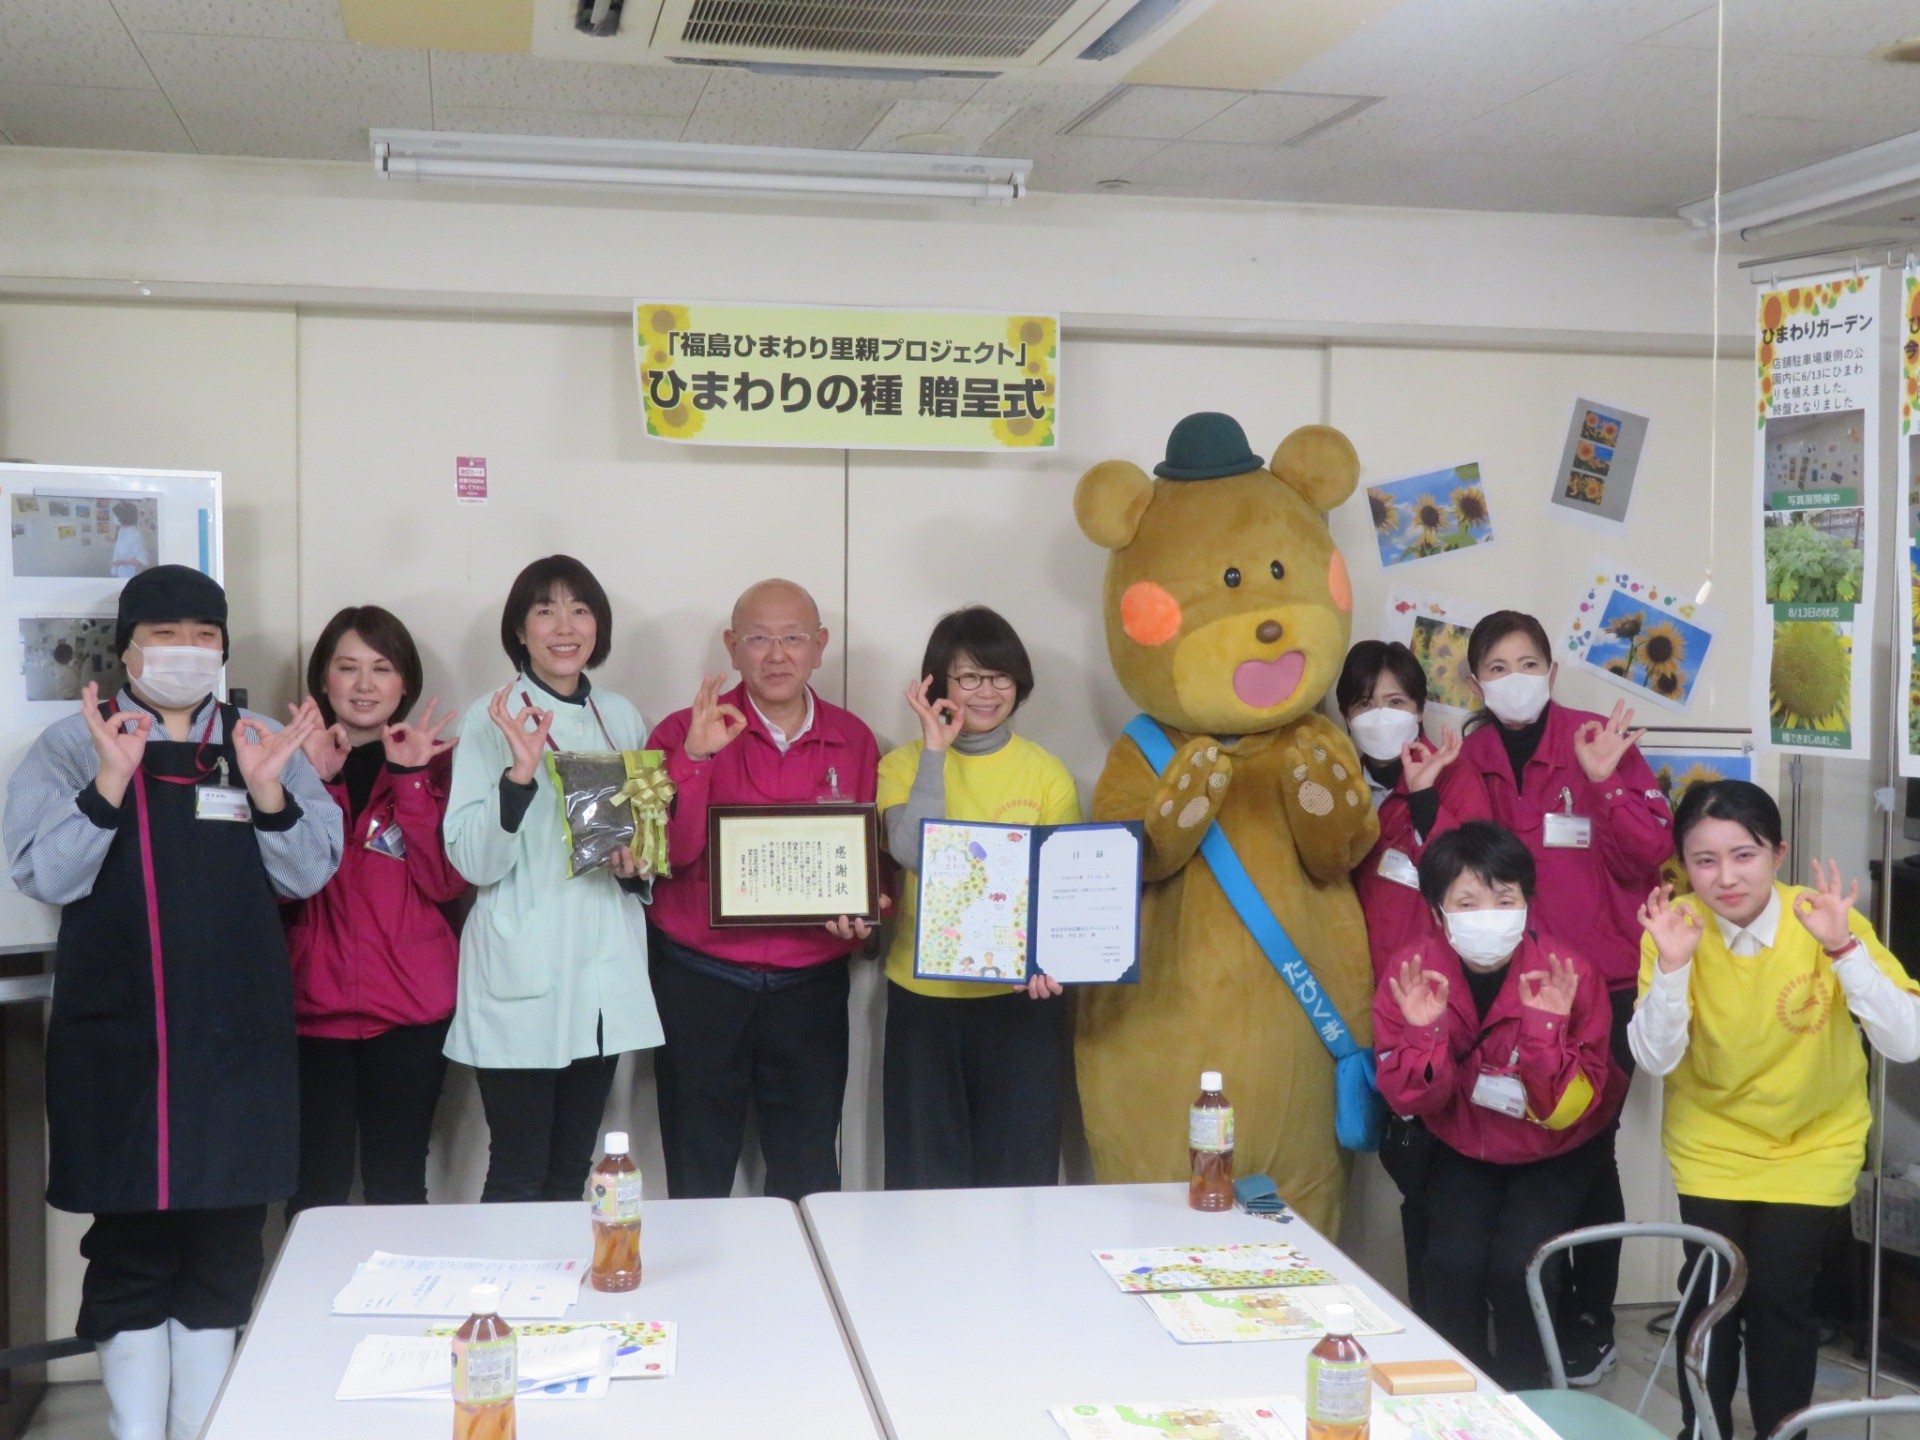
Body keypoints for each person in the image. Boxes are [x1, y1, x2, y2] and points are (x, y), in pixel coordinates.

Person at [3, 565, 342, 1440]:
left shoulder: (264, 737)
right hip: (124, 1042)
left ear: (225, 646)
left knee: (227, 1246)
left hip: (238, 1042)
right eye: (165, 634)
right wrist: (109, 783)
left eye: (204, 634)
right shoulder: (74, 744)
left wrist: (269, 791)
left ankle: (202, 1428)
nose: (186, 651)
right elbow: (45, 872)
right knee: (130, 1252)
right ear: (126, 648)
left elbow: (310, 870)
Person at [1631, 781, 1920, 1440]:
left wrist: (1844, 951)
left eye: (1744, 855)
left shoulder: (1824, 917)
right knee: (1710, 1297)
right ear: (1683, 863)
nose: (1725, 877)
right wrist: (1672, 969)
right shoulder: (1675, 930)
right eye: (1704, 860)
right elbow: (1653, 1058)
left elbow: (1906, 1041)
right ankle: (1702, 1430)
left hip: (1816, 1139)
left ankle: (1783, 1434)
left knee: (1779, 1296)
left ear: (1778, 853)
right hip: (1712, 1143)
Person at [1456, 609, 1669, 1383]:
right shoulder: (1470, 753)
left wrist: (1609, 780)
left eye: (1528, 662)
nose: (1516, 679)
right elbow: (1453, 864)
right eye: (1498, 667)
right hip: (1504, 990)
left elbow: (1652, 853)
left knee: (1589, 1149)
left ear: (1552, 668)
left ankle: (1589, 1316)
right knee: (1525, 1145)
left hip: (1601, 986)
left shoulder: (1594, 740)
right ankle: (1528, 1311)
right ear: (1474, 681)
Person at [647, 578, 880, 1201]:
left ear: (820, 646)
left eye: (793, 639)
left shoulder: (854, 739)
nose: (776, 655)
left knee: (809, 1170)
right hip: (700, 980)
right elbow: (666, 856)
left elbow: (869, 868)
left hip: (810, 989)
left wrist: (868, 916)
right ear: (731, 646)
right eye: (758, 639)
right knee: (697, 1168)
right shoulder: (679, 730)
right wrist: (694, 759)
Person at [442, 555, 661, 1203]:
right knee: (518, 1167)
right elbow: (473, 861)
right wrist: (518, 777)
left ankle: (561, 1302)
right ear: (519, 630)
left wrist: (635, 866)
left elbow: (644, 845)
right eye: (545, 610)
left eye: (580, 608)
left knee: (574, 1169)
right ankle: (505, 1303)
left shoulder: (620, 716)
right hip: (523, 967)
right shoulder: (489, 718)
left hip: (601, 977)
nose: (564, 625)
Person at [1374, 821, 1622, 1390]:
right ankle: (1457, 1396)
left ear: (1527, 904)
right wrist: (1426, 1033)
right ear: (1438, 912)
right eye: (1467, 901)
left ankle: (1526, 1395)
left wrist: (1544, 1028)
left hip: (1553, 1150)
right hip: (1462, 1142)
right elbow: (1410, 1098)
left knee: (1520, 1268)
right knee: (1452, 1265)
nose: (1489, 912)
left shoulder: (1570, 972)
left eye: (1504, 898)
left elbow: (1569, 1108)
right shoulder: (1410, 975)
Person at [877, 606, 1080, 1189]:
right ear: (939, 683)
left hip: (1019, 1003)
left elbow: (1063, 890)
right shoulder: (902, 765)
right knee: (923, 1179)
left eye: (1000, 677)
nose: (987, 692)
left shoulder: (1047, 774)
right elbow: (914, 852)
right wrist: (935, 752)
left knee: (1019, 1179)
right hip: (925, 1001)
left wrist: (1053, 963)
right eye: (969, 677)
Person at [282, 605, 465, 1211]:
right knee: (315, 1190)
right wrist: (318, 782)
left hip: (410, 1010)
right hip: (312, 1008)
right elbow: (288, 883)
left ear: (404, 682)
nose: (364, 686)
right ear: (323, 679)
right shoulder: (282, 766)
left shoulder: (437, 764)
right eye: (348, 667)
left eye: (381, 669)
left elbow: (444, 883)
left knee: (398, 1183)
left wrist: (411, 782)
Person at [1335, 638, 1487, 1316]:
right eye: (1365, 703)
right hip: (1345, 997)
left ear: (1420, 707)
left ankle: (1447, 1326)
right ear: (1343, 714)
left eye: (1396, 701)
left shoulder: (1452, 771)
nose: (1381, 715)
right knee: (1394, 1160)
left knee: (1438, 1175)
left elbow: (1474, 875)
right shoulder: (1327, 778)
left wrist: (1423, 801)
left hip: (1431, 1001)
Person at [110, 500, 152, 580]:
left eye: (116, 515)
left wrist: (123, 561)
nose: (114, 518)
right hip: (119, 573)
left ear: (123, 517)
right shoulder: (121, 530)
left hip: (129, 576)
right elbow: (122, 546)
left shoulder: (135, 536)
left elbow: (142, 560)